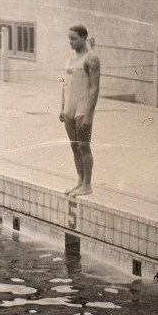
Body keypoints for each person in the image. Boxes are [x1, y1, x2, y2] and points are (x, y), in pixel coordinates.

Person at [60, 24, 100, 196]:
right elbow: (64, 85)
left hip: (82, 109)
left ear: (84, 38)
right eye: (69, 38)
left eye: (74, 38)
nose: (71, 41)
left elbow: (94, 87)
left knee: (84, 146)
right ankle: (79, 181)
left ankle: (87, 184)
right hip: (70, 108)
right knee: (74, 146)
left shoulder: (91, 59)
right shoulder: (69, 60)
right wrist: (62, 108)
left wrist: (89, 113)